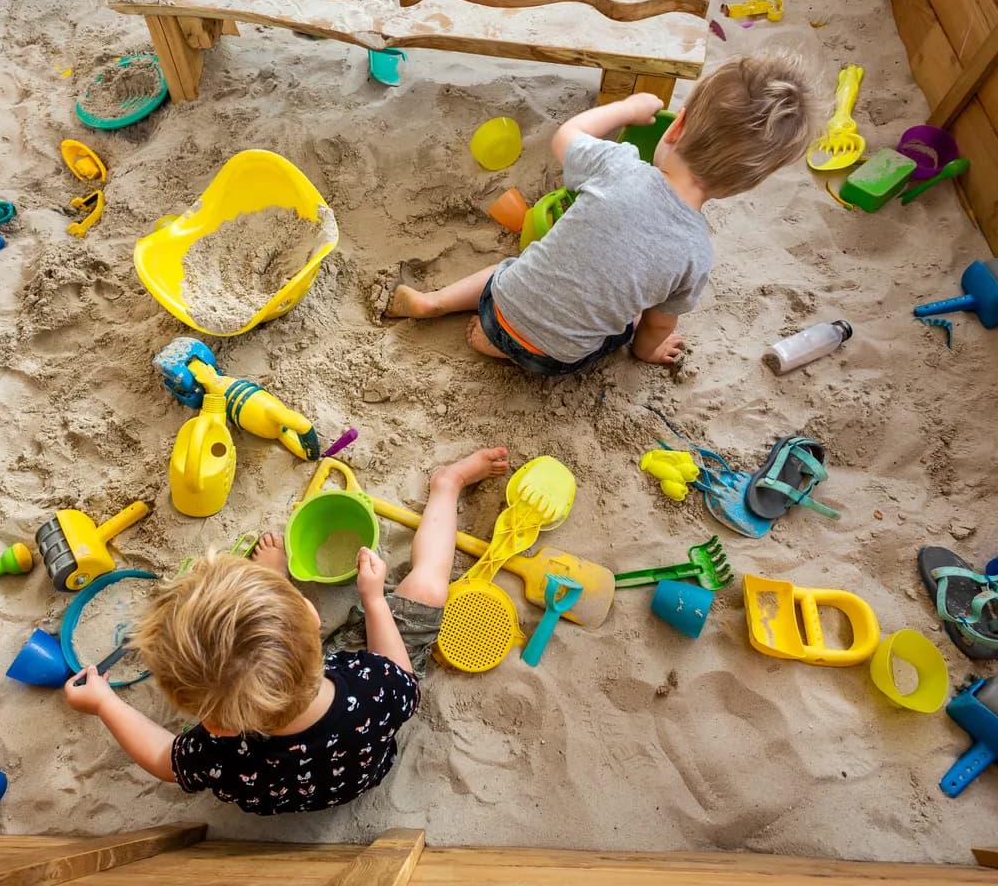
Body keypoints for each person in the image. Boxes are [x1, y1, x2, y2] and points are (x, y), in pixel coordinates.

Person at [64, 446, 510, 814]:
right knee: (430, 586)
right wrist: (374, 601)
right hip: (355, 732)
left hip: (292, 754)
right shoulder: (379, 690)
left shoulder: (220, 752)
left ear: (213, 722)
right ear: (312, 620)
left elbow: (164, 760)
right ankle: (446, 486)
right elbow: (396, 668)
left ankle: (445, 487)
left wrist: (105, 703)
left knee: (267, 655)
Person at [385, 52, 817, 374]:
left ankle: (435, 302)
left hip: (498, 309)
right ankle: (492, 343)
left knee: (512, 266)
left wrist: (628, 109)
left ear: (676, 125)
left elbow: (566, 134)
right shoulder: (696, 255)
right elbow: (657, 326)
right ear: (747, 184)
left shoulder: (617, 165)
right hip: (553, 359)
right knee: (629, 316)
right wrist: (646, 351)